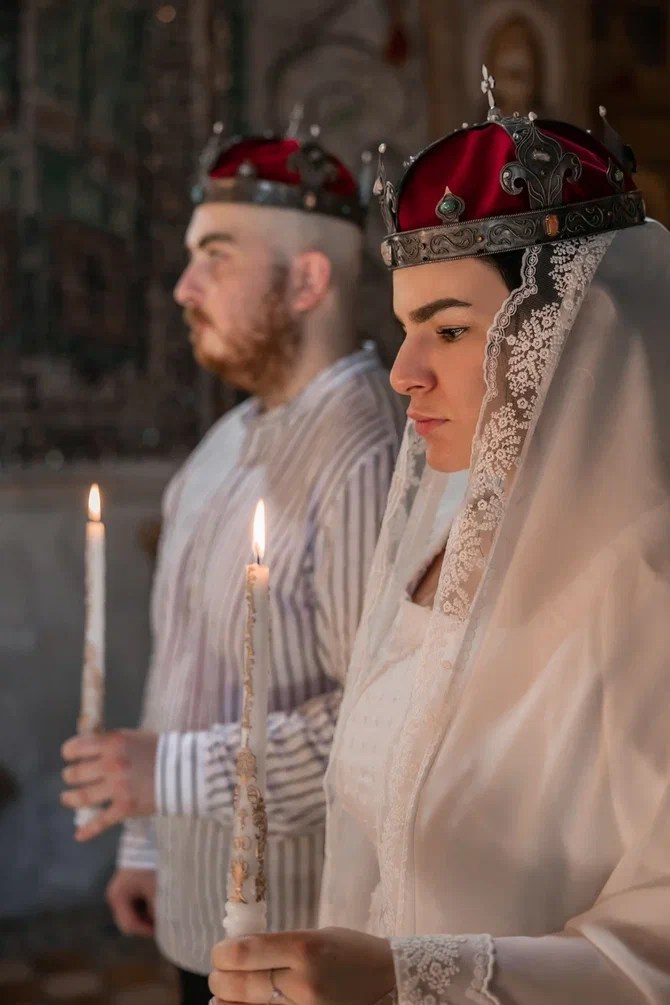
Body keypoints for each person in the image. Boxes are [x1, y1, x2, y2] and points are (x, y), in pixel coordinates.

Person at [208, 72, 670, 1004]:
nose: (405, 373)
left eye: (451, 330)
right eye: (405, 329)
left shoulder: (650, 594)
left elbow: (652, 956)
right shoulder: (437, 548)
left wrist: (404, 976)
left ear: (578, 340)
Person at [60, 128, 405, 1004]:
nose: (183, 287)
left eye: (214, 255)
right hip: (196, 903)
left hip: (294, 937)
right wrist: (145, 837)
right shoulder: (228, 437)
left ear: (309, 279)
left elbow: (380, 730)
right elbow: (184, 656)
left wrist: (165, 771)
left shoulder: (363, 454)